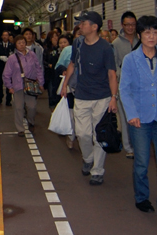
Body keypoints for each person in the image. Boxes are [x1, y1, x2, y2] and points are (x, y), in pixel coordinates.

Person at [119, 15, 157, 216]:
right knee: (141, 161)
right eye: (147, 32)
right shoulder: (130, 59)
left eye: (155, 32)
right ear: (140, 34)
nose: (151, 36)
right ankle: (142, 198)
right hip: (140, 118)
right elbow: (124, 89)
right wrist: (131, 114)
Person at [61, 11, 118, 186]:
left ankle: (98, 170)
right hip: (82, 95)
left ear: (94, 27)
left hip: (102, 97)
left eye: (84, 23)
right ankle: (88, 158)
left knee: (98, 135)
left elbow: (111, 74)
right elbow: (72, 64)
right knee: (82, 133)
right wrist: (65, 85)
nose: (80, 26)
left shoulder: (106, 48)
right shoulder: (78, 44)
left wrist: (113, 97)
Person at [3, 35, 44, 135]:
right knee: (18, 107)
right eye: (19, 43)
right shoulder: (12, 58)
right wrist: (9, 86)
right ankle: (20, 129)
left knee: (32, 107)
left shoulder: (32, 55)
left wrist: (41, 82)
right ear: (15, 45)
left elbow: (39, 69)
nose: (21, 45)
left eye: (23, 42)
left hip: (31, 85)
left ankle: (31, 121)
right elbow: (6, 74)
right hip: (18, 86)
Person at [113, 12, 140, 158]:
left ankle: (139, 145)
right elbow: (114, 63)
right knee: (124, 117)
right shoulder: (116, 43)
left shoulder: (140, 40)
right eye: (127, 24)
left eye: (133, 24)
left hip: (140, 85)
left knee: (139, 115)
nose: (130, 27)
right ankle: (128, 147)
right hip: (123, 85)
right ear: (122, 25)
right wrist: (122, 74)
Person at [55, 34, 76, 148]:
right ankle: (71, 135)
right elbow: (58, 66)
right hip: (71, 85)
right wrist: (64, 70)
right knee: (72, 113)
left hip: (87, 87)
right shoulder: (68, 50)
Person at [0, 31, 15, 106]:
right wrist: (0, 57)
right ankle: (0, 97)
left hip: (9, 68)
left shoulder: (12, 45)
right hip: (0, 67)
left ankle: (8, 100)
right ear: (2, 37)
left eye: (6, 35)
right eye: (4, 35)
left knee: (9, 83)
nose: (5, 37)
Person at [43, 30, 62, 108]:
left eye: (56, 36)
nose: (55, 38)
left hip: (59, 73)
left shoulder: (60, 48)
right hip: (50, 74)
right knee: (51, 92)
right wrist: (48, 65)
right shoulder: (47, 49)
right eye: (53, 36)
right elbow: (43, 61)